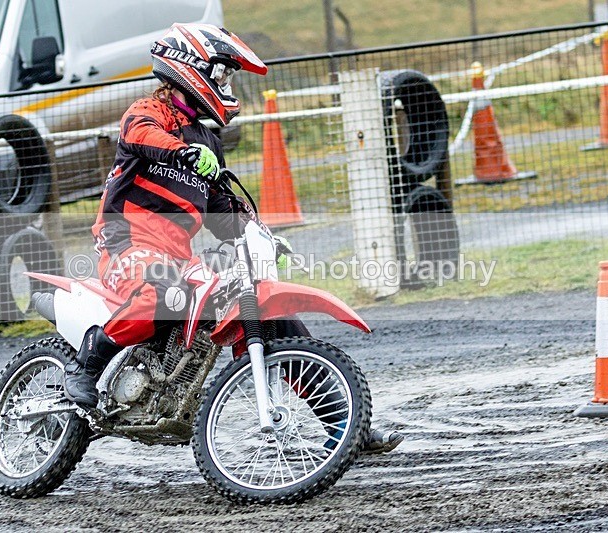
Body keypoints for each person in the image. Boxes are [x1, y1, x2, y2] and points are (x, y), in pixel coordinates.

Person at [63, 23, 402, 454]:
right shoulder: (147, 112)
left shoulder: (208, 139)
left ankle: (345, 426)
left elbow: (221, 211)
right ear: (189, 67)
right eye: (221, 74)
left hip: (177, 254)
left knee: (269, 315)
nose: (225, 84)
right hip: (125, 243)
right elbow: (141, 137)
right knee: (164, 290)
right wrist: (181, 151)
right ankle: (89, 361)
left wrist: (257, 233)